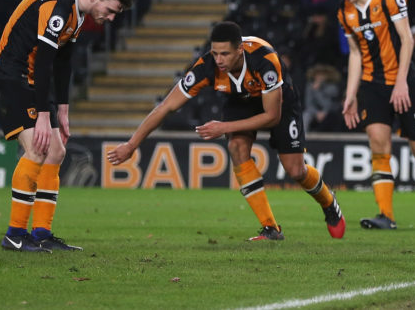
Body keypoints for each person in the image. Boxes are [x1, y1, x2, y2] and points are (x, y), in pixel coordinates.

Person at [107, 21, 345, 241]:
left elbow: (272, 117)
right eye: (215, 53)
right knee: (236, 147)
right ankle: (271, 228)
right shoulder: (206, 67)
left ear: (239, 50)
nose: (218, 60)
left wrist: (224, 127)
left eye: (225, 54)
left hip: (278, 103)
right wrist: (131, 145)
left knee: (295, 170)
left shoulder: (264, 60)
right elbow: (166, 106)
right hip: (239, 101)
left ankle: (328, 202)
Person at [0, 0, 133, 252]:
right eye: (111, 10)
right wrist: (43, 116)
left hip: (31, 80)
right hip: (10, 76)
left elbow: (63, 61)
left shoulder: (77, 11)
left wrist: (63, 110)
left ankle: (41, 234)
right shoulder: (59, 6)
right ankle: (15, 235)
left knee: (56, 152)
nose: (111, 17)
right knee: (38, 148)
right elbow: (43, 61)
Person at [327, 0, 415, 229]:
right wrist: (350, 94)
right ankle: (386, 216)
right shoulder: (344, 12)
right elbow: (355, 54)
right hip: (371, 84)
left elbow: (407, 39)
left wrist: (401, 83)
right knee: (378, 144)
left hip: (405, 82)